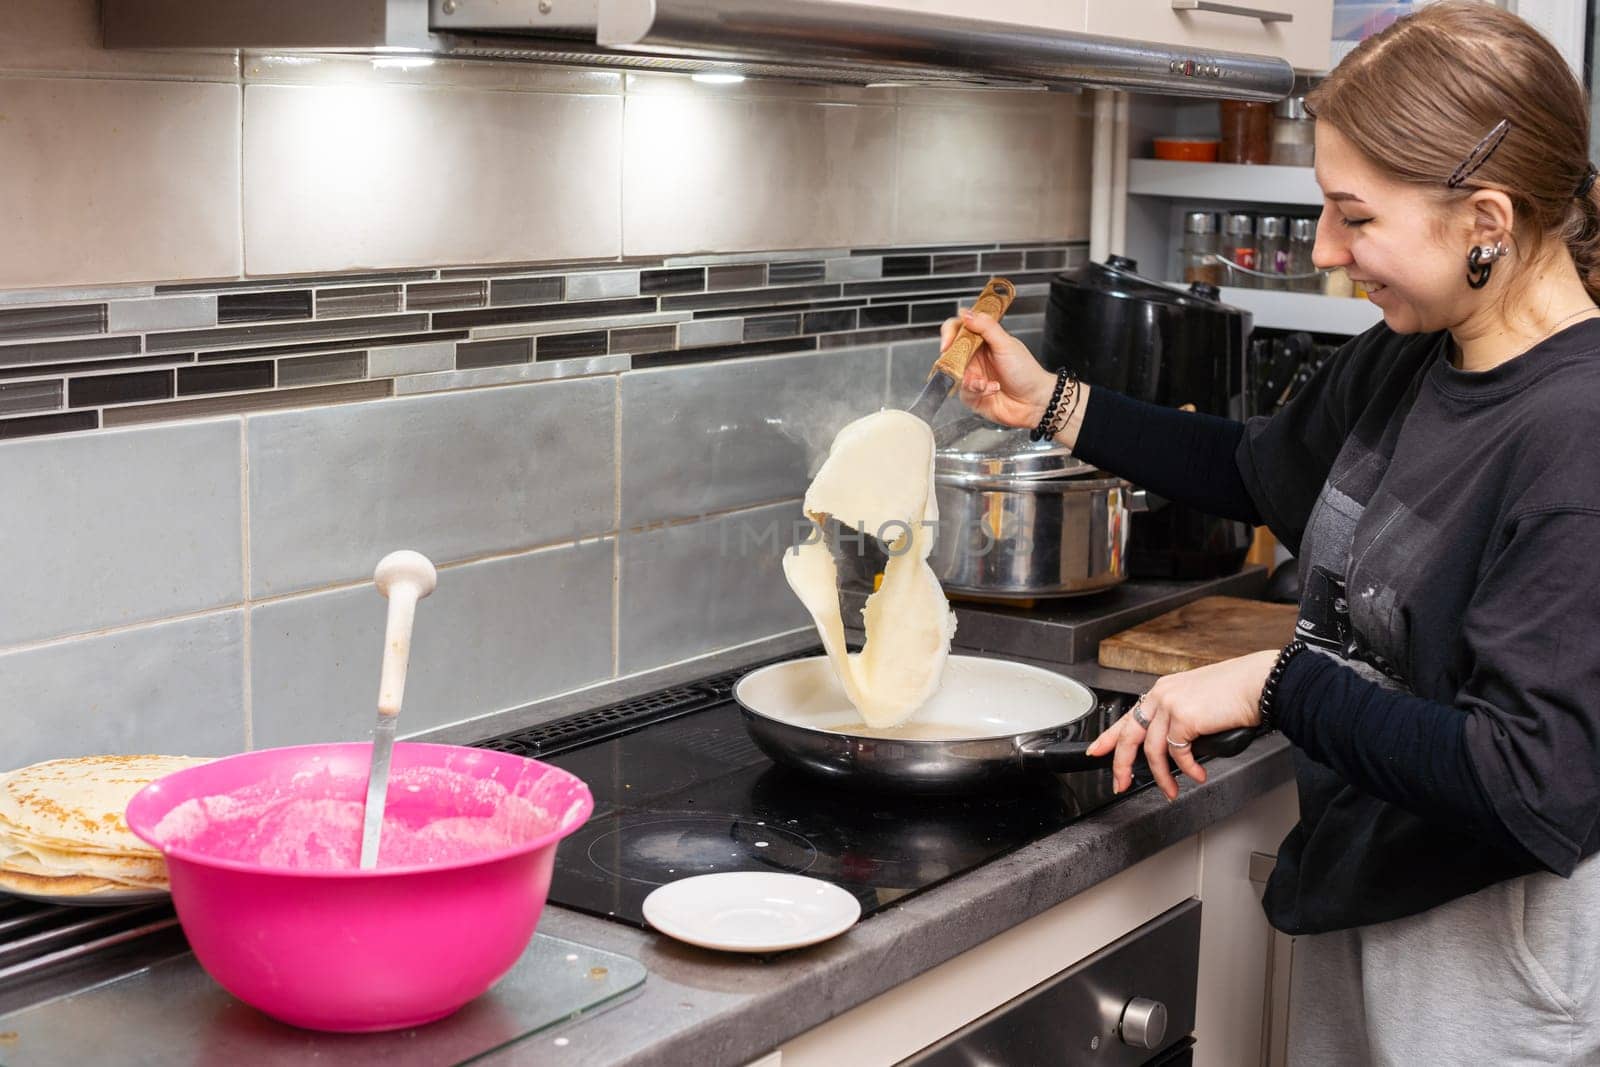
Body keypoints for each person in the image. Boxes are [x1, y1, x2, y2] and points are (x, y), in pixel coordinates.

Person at [939, 3, 1600, 1062]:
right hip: (1364, 890)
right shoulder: (1413, 355)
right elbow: (1256, 467)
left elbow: (1535, 783)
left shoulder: (1574, 436)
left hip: (1486, 958)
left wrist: (1273, 683)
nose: (1329, 251)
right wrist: (1051, 404)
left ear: (1485, 218)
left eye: (1354, 215)